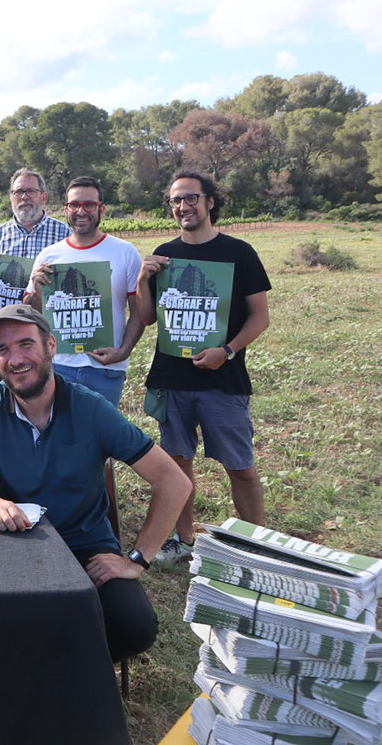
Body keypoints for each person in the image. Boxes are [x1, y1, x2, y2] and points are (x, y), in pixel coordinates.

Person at [0, 304, 190, 663]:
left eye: (25, 344)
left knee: (134, 626)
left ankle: (71, 671)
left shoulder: (90, 409)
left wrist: (137, 560)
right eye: (3, 350)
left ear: (50, 346)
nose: (15, 359)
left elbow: (173, 481)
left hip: (87, 547)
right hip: (21, 542)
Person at [136, 170, 271, 562]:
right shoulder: (165, 253)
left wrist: (226, 352)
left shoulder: (239, 252)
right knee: (178, 465)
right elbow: (147, 319)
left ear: (210, 202)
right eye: (176, 200)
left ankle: (254, 545)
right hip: (172, 378)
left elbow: (259, 317)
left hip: (223, 380)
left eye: (191, 198)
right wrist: (145, 281)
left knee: (240, 466)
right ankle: (185, 540)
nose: (183, 207)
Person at [25, 176, 145, 408]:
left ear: (102, 208)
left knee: (102, 439)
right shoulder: (49, 255)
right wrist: (37, 289)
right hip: (59, 366)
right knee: (60, 435)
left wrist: (123, 352)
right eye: (74, 205)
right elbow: (31, 314)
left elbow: (139, 312)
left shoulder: (125, 252)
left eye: (89, 205)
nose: (81, 211)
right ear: (66, 209)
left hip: (106, 369)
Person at [0, 168, 69, 382]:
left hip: (43, 330)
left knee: (48, 388)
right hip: (4, 329)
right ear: (11, 198)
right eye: (18, 192)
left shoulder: (64, 234)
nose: (24, 197)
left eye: (30, 191)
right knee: (7, 390)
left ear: (43, 196)